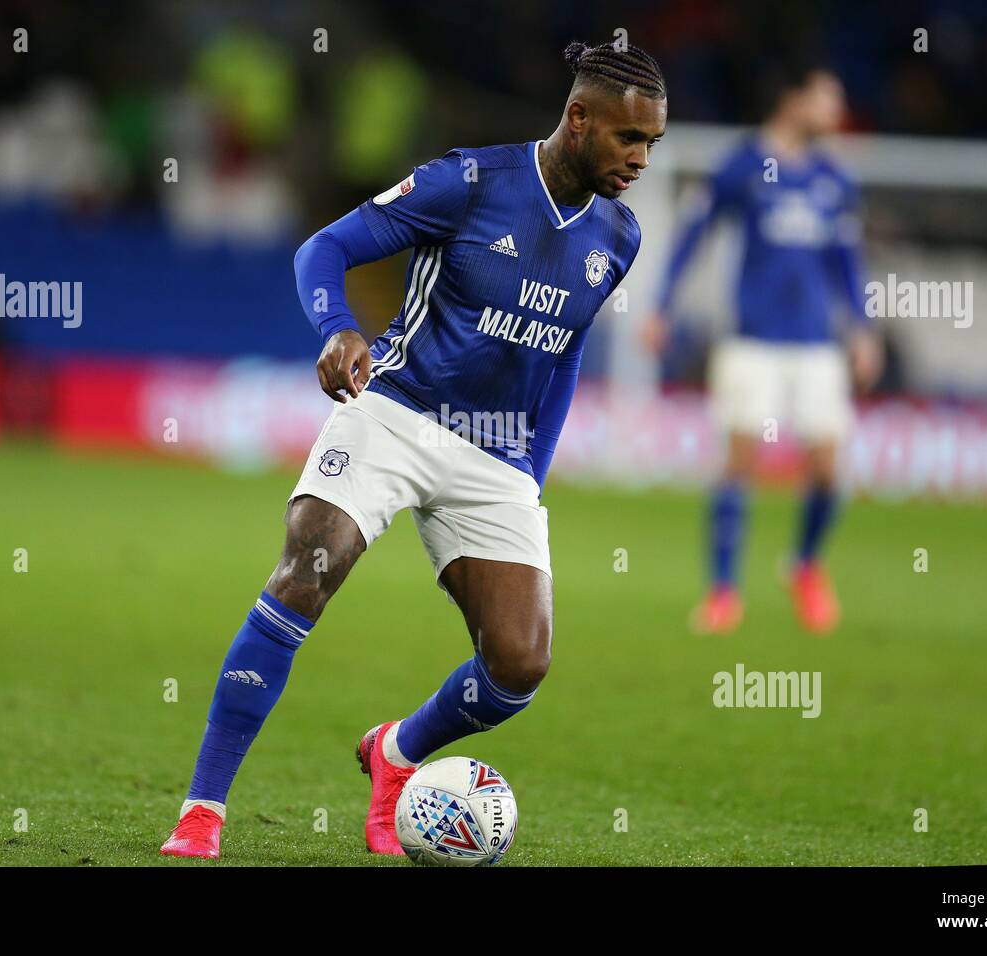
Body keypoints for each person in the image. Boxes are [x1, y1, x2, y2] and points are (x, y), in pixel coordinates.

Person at [160, 40, 667, 859]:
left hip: (497, 458)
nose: (642, 159)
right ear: (578, 119)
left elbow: (567, 348)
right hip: (396, 412)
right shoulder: (469, 182)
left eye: (653, 145)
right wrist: (337, 330)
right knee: (308, 567)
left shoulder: (619, 234)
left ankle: (394, 753)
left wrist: (530, 471)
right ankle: (203, 810)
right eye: (629, 140)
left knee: (518, 666)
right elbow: (321, 249)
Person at [640, 64, 881, 636]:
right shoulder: (744, 165)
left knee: (825, 468)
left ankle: (803, 565)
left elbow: (847, 261)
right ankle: (723, 592)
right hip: (751, 339)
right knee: (739, 460)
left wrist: (864, 328)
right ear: (794, 100)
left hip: (816, 344)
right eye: (828, 99)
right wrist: (661, 304)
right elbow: (695, 232)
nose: (836, 111)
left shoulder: (832, 179)